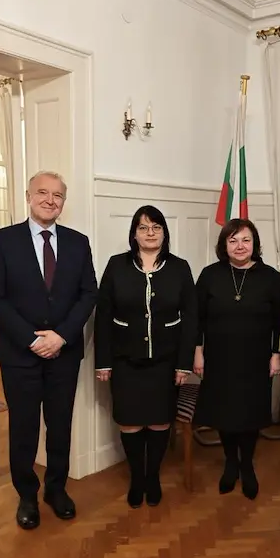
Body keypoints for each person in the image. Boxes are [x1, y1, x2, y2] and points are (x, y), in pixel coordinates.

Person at [0, 170, 98, 530]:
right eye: (43, 193)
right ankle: (27, 496)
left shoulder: (78, 242)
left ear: (64, 202)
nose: (50, 200)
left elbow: (88, 294)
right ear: (29, 196)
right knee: (24, 428)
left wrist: (60, 336)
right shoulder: (3, 240)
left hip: (64, 353)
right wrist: (32, 339)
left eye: (57, 195)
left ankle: (56, 490)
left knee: (60, 425)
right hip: (19, 355)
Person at [94, 205, 197, 509]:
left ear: (164, 233)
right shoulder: (117, 265)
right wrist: (103, 361)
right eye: (143, 227)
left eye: (156, 227)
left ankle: (153, 477)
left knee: (160, 422)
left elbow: (191, 318)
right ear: (134, 234)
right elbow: (103, 315)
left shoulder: (179, 267)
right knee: (130, 422)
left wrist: (184, 363)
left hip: (166, 362)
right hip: (125, 360)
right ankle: (137, 477)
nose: (150, 233)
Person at [193, 219, 280, 500]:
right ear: (224, 245)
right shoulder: (210, 275)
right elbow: (197, 318)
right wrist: (198, 352)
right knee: (224, 414)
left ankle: (247, 465)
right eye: (233, 241)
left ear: (255, 243)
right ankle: (231, 462)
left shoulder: (270, 277)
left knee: (250, 415)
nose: (240, 246)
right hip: (218, 359)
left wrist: (277, 355)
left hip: (256, 360)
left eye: (246, 240)